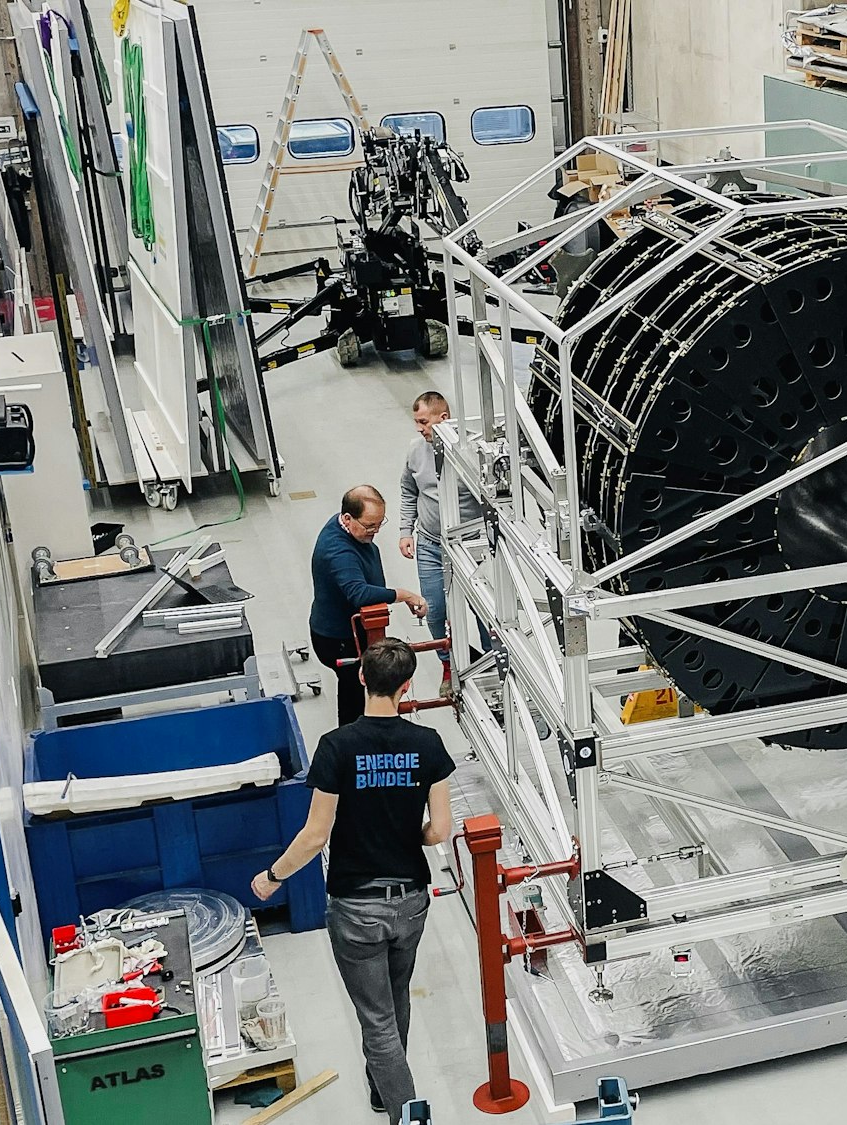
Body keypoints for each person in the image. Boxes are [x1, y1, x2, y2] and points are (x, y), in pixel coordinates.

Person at [251, 638, 455, 1118]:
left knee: (377, 1018)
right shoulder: (427, 744)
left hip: (355, 907)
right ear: (407, 687)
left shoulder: (338, 747)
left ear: (362, 678)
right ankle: (383, 1091)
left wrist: (272, 876)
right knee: (394, 998)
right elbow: (440, 829)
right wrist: (412, 835)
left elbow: (315, 835)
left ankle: (407, 1113)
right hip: (410, 901)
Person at [311, 485, 427, 727]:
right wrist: (404, 595)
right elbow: (359, 593)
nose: (374, 532)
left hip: (347, 631)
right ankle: (352, 741)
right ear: (347, 518)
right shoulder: (338, 549)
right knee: (353, 691)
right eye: (369, 526)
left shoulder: (348, 529)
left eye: (379, 524)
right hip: (340, 639)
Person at [398, 391, 484, 698]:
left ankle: (492, 666)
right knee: (433, 611)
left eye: (424, 422)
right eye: (417, 422)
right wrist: (406, 531)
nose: (420, 429)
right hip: (431, 546)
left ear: (443, 419)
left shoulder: (471, 451)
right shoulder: (415, 450)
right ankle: (449, 665)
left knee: (484, 610)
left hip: (471, 545)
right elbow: (409, 491)